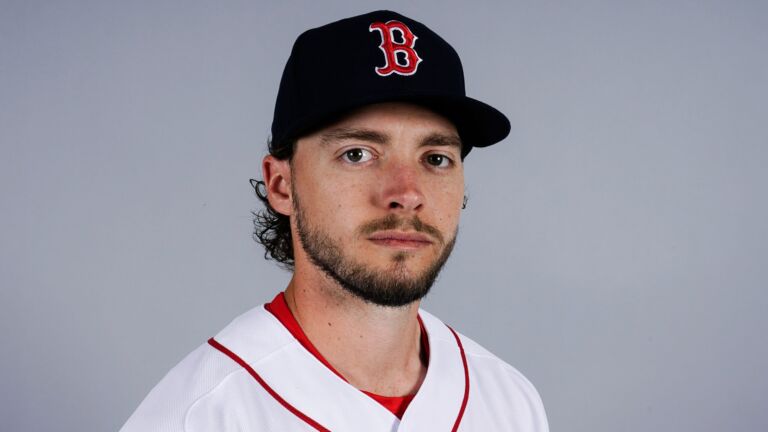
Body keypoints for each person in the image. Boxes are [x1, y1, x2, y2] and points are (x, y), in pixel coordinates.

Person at [121, 10, 549, 431]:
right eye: (357, 154)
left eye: (435, 158)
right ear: (282, 186)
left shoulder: (510, 401)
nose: (406, 194)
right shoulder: (199, 417)